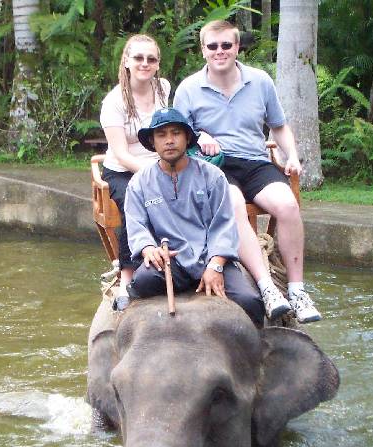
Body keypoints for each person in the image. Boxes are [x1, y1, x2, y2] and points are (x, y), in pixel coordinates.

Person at [173, 20, 321, 323]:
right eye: (213, 46)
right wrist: (199, 136)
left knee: (288, 205)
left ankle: (297, 290)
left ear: (237, 47)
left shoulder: (260, 81)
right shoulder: (188, 88)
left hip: (255, 161)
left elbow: (278, 126)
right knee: (234, 204)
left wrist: (292, 156)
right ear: (203, 50)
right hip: (213, 166)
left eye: (226, 45)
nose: (220, 51)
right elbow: (177, 134)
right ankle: (267, 287)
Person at [124, 107, 265, 328]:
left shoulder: (213, 176)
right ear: (152, 141)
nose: (169, 140)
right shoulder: (139, 182)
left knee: (250, 302)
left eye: (176, 133)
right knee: (143, 281)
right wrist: (148, 249)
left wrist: (216, 265)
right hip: (171, 261)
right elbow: (136, 224)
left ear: (187, 137)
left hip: (209, 256)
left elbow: (224, 225)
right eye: (161, 135)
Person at [100, 34, 171, 312]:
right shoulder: (114, 101)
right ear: (127, 61)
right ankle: (126, 278)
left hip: (160, 162)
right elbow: (121, 154)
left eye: (151, 59)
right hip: (124, 170)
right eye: (139, 58)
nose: (145, 63)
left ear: (157, 63)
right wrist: (156, 172)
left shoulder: (163, 88)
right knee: (135, 201)